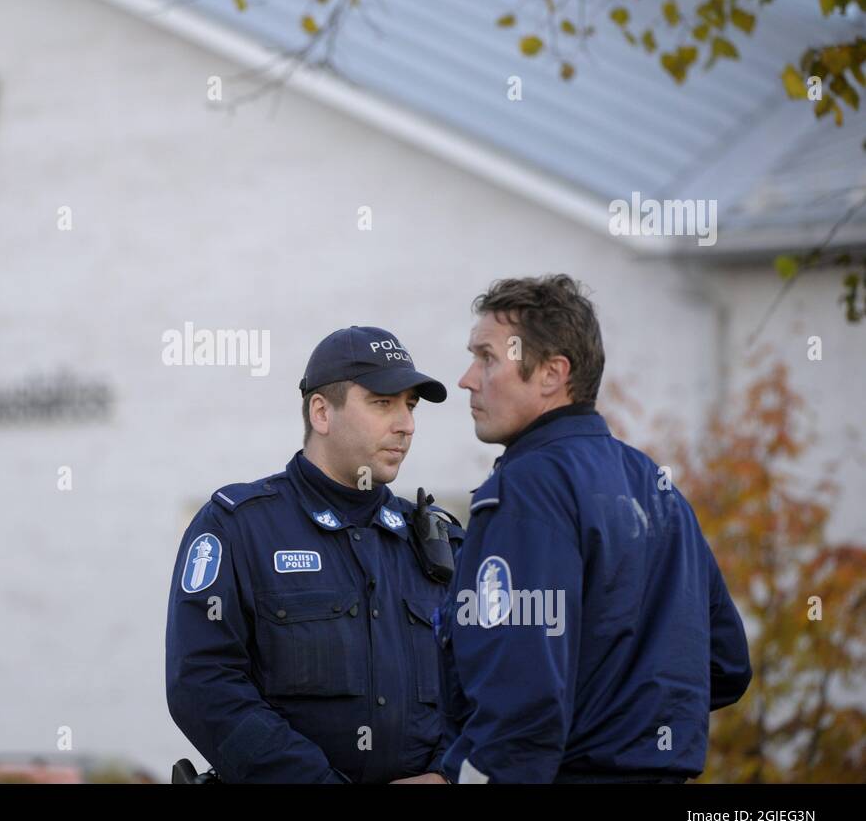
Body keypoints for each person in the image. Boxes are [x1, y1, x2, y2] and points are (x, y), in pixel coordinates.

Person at [437, 275, 752, 783]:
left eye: (487, 357)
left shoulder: (530, 486)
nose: (467, 378)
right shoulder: (657, 486)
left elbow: (524, 696)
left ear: (551, 374)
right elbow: (725, 664)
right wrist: (627, 724)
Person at [165, 326, 460, 783]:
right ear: (321, 412)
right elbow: (203, 686)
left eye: (410, 405)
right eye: (383, 403)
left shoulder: (439, 544)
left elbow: (484, 686)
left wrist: (447, 775)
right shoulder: (239, 528)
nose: (406, 424)